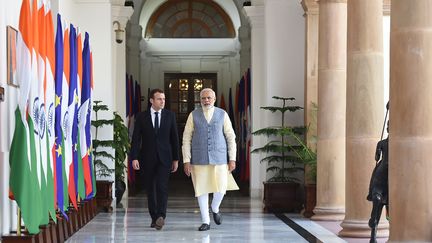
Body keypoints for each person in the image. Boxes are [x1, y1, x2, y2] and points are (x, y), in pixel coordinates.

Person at [182, 88, 239, 231]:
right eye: (203, 98)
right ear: (200, 100)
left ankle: (214, 207)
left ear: (214, 99)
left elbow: (231, 137)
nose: (206, 100)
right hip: (198, 158)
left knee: (221, 187)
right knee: (201, 190)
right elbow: (186, 138)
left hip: (219, 158)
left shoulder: (222, 114)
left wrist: (232, 158)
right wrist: (186, 160)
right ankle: (205, 221)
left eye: (209, 98)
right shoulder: (193, 115)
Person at [130, 88, 179, 230]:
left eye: (163, 99)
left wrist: (176, 159)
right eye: (159, 99)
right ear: (152, 100)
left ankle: (161, 216)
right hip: (147, 158)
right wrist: (134, 158)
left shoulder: (170, 116)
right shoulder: (141, 117)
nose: (162, 101)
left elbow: (174, 138)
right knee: (150, 188)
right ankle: (154, 218)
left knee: (162, 187)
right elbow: (136, 139)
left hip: (165, 158)